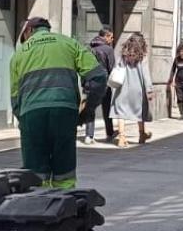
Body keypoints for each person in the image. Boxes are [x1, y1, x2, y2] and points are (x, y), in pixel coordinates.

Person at [11, 17, 106, 188]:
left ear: (29, 31)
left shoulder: (19, 53)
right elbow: (98, 76)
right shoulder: (69, 43)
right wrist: (88, 109)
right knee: (64, 169)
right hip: (64, 111)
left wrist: (24, 121)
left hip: (31, 113)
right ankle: (65, 205)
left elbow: (15, 98)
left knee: (35, 172)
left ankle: (38, 204)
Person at [110, 32, 154, 146]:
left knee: (121, 112)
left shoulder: (123, 54)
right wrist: (149, 89)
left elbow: (117, 68)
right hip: (137, 89)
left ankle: (122, 137)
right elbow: (146, 74)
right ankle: (142, 134)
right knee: (140, 112)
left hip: (123, 88)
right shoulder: (142, 56)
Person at [84, 27, 117, 143]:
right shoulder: (108, 50)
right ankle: (110, 133)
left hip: (90, 82)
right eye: (111, 37)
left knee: (90, 109)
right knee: (107, 108)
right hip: (104, 83)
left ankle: (89, 136)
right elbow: (112, 68)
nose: (112, 40)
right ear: (106, 36)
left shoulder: (88, 48)